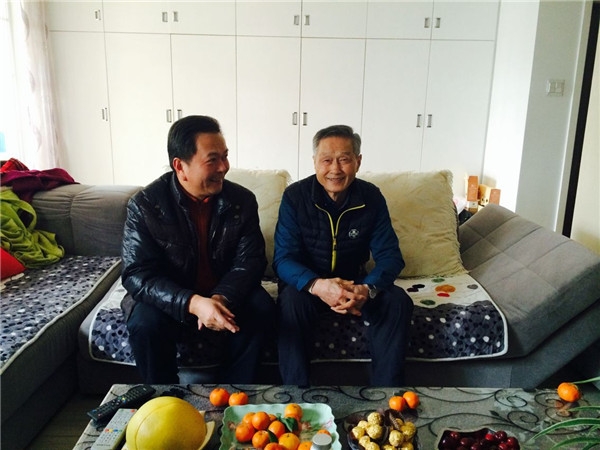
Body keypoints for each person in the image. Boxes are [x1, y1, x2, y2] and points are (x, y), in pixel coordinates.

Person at [121, 115, 275, 384]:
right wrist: (193, 303)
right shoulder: (145, 205)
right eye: (212, 160)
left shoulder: (241, 200)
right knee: (145, 323)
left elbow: (250, 261)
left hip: (225, 292)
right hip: (172, 295)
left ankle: (234, 392)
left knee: (261, 307)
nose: (224, 167)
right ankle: (164, 398)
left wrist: (221, 299)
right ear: (180, 166)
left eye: (225, 157)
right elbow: (137, 274)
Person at [273, 124, 413, 386]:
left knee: (397, 301)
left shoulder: (371, 197)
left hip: (354, 284)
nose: (335, 169)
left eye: (344, 159)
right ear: (315, 162)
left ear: (358, 162)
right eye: (326, 160)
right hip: (307, 286)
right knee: (290, 303)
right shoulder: (295, 197)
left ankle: (387, 396)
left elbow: (390, 256)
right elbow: (283, 259)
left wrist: (367, 289)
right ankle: (296, 396)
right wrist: (318, 285)